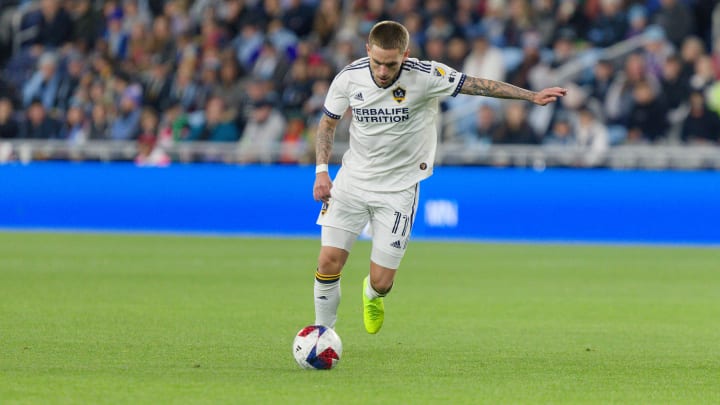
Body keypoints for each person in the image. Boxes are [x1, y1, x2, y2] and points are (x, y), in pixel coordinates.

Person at [310, 20, 567, 334]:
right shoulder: (349, 78)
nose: (381, 71)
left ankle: (372, 295)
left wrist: (531, 97)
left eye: (390, 64)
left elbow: (479, 84)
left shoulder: (427, 76)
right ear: (368, 51)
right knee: (328, 261)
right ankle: (321, 333)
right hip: (351, 181)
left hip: (399, 189)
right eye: (376, 62)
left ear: (405, 55)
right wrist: (321, 171)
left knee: (382, 281)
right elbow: (327, 125)